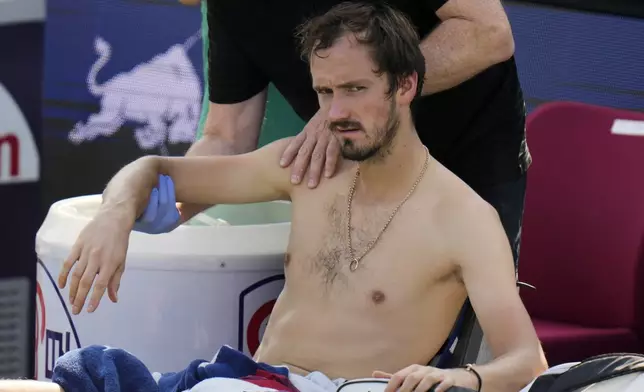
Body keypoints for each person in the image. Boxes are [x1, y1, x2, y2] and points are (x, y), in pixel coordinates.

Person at [2, 3, 546, 392]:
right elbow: (174, 159)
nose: (333, 111)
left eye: (352, 89)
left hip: (470, 149)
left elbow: (528, 360)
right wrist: (118, 212)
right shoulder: (302, 172)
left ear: (404, 86)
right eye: (324, 93)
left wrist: (463, 379)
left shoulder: (467, 218)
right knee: (77, 373)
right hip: (250, 377)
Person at [156, 0, 529, 273]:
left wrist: (355, 99)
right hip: (364, 175)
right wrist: (172, 200)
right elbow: (227, 134)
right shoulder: (231, 8)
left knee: (461, 348)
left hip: (470, 156)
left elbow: (488, 32)